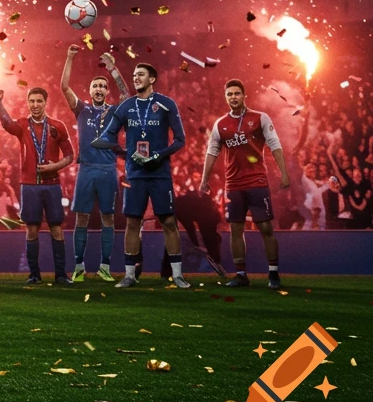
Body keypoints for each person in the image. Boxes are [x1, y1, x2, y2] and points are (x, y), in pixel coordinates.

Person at [92, 63, 188, 288]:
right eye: (134, 75)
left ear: (152, 78)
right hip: (135, 175)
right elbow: (109, 137)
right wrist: (125, 154)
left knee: (168, 222)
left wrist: (158, 156)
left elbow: (180, 140)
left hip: (160, 174)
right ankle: (128, 275)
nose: (135, 78)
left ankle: (178, 275)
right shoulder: (125, 107)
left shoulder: (166, 104)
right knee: (132, 222)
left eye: (140, 75)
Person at [199, 79, 290, 288]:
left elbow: (275, 144)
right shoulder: (220, 124)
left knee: (265, 227)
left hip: (257, 181)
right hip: (233, 185)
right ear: (226, 97)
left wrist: (284, 173)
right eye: (229, 94)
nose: (233, 97)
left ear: (244, 95)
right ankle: (241, 275)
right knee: (235, 229)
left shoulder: (260, 118)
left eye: (237, 93)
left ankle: (273, 273)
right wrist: (204, 179)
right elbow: (212, 151)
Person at [59, 44, 130, 282]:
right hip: (86, 171)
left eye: (102, 86)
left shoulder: (114, 112)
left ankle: (105, 267)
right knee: (82, 217)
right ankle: (79, 266)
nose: (99, 89)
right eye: (95, 86)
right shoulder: (82, 110)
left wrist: (113, 69)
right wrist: (70, 57)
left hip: (108, 171)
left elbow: (127, 97)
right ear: (89, 91)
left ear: (106, 91)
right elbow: (64, 87)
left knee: (108, 217)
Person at [0, 88, 75, 284]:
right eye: (31, 101)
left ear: (45, 102)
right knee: (31, 228)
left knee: (56, 227)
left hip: (52, 184)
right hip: (29, 185)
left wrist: (53, 167)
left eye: (39, 101)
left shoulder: (58, 126)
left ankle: (60, 275)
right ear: (27, 102)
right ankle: (34, 275)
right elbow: (6, 123)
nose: (35, 105)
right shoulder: (22, 125)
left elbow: (70, 156)